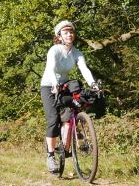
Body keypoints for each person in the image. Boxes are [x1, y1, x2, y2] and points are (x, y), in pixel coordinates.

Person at [40, 20, 98, 173]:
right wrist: (54, 84)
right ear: (59, 36)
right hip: (48, 86)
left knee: (71, 112)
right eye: (66, 32)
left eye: (71, 32)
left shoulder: (77, 53)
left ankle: (66, 145)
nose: (69, 35)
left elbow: (84, 69)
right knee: (53, 119)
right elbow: (50, 68)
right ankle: (50, 156)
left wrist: (93, 84)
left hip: (64, 85)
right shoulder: (54, 50)